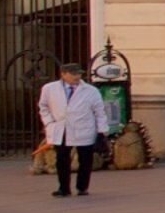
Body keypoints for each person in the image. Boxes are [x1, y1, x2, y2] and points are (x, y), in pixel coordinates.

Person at [38, 61, 111, 197]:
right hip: (61, 128)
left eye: (79, 74)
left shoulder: (91, 90)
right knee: (62, 159)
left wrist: (102, 130)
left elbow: (99, 111)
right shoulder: (49, 88)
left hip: (84, 129)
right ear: (63, 74)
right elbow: (43, 107)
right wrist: (49, 123)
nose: (77, 77)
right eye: (73, 74)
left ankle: (82, 187)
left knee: (85, 159)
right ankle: (64, 188)